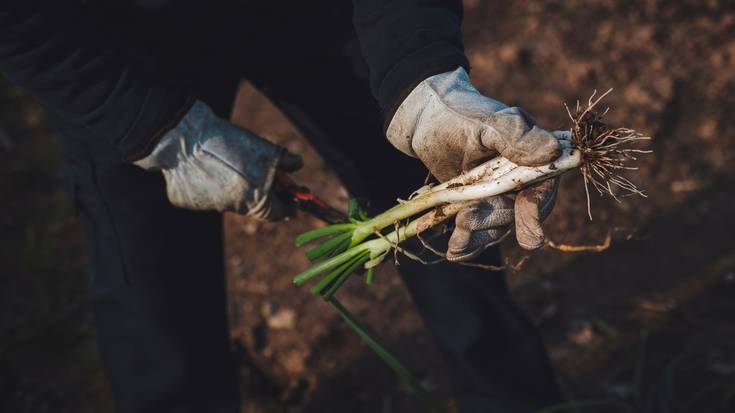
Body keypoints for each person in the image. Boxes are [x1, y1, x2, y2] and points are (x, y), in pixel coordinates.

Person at [0, 1, 564, 411]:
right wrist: (149, 126)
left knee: (425, 184)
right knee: (151, 294)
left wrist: (420, 74)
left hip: (313, 14)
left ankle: (512, 395)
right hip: (109, 38)